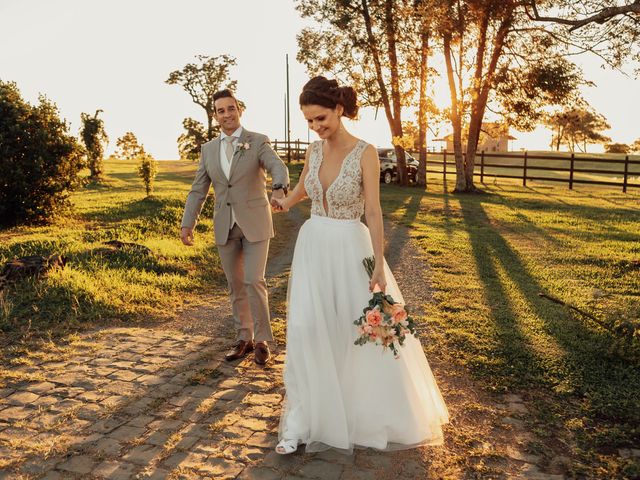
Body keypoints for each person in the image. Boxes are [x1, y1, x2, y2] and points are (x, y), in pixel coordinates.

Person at [272, 76, 449, 454]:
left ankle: (358, 412)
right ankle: (304, 417)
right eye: (309, 122)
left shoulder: (365, 152)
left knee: (353, 331)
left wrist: (379, 265)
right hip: (314, 246)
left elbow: (373, 209)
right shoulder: (314, 151)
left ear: (338, 109)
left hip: (351, 246)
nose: (317, 127)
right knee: (308, 328)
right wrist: (285, 204)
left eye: (321, 118)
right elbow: (305, 186)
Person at [181, 88, 289, 366]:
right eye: (221, 110)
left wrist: (278, 189)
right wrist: (187, 223)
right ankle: (244, 338)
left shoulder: (258, 141)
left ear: (239, 109)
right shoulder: (208, 150)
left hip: (255, 222)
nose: (226, 114)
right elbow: (198, 191)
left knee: (254, 280)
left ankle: (263, 340)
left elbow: (278, 167)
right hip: (224, 226)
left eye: (231, 108)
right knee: (235, 285)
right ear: (215, 115)